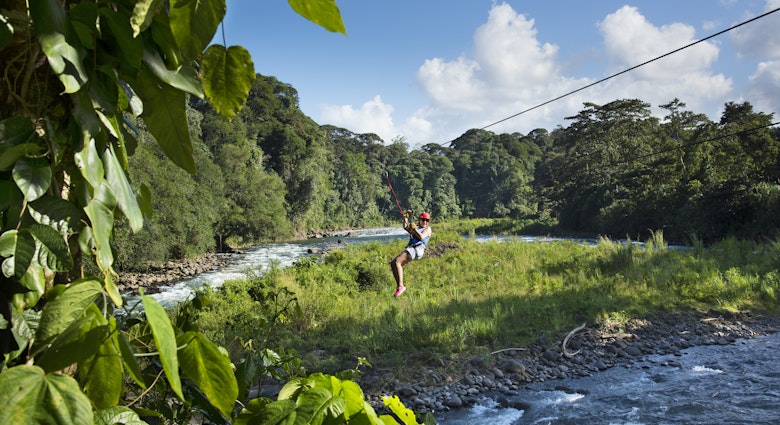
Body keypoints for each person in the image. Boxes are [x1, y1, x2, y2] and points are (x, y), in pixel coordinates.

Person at [390, 211, 432, 297]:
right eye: (423, 220)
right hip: (412, 249)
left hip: (417, 249)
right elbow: (405, 227)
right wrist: (405, 218)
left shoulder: (427, 229)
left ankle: (401, 286)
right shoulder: (415, 229)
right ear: (419, 220)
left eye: (426, 220)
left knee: (397, 262)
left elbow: (421, 237)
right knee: (393, 263)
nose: (425, 222)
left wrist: (414, 229)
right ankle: (399, 286)